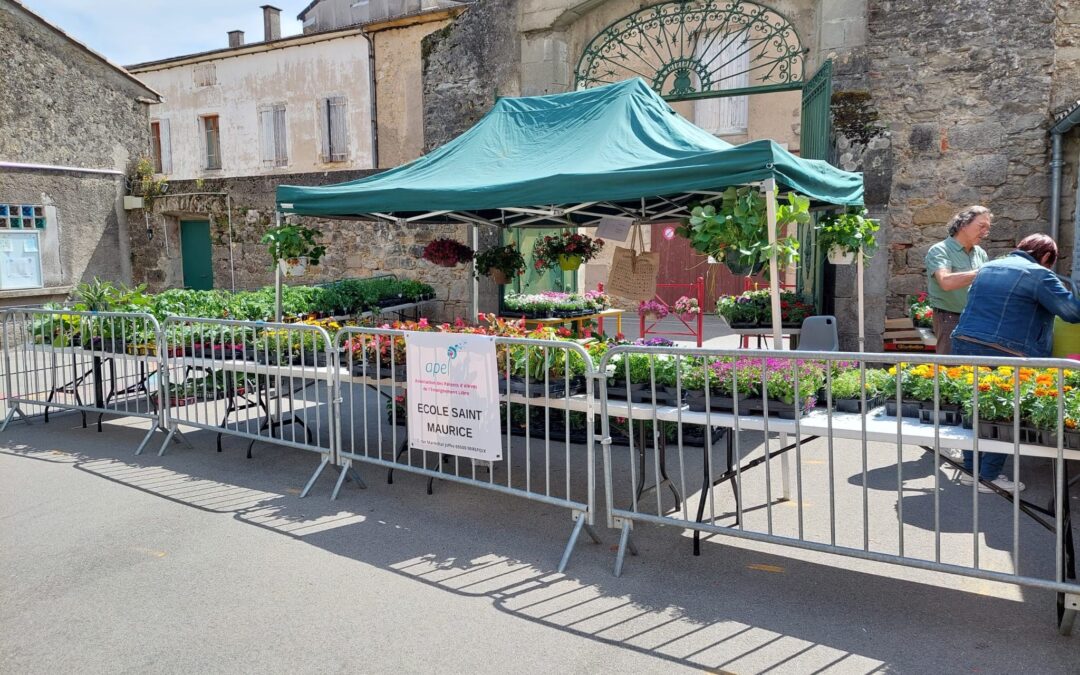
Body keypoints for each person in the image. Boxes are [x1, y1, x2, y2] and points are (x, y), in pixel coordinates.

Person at [951, 234, 1080, 493]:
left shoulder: (988, 267)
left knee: (973, 407)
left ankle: (970, 471)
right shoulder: (1039, 275)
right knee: (1005, 413)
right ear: (1046, 257)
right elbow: (1071, 312)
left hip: (965, 341)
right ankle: (989, 477)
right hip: (1007, 349)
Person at [924, 206, 992, 354]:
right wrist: (984, 272)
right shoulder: (940, 250)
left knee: (976, 364)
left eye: (987, 228)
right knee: (950, 365)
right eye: (981, 226)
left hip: (977, 318)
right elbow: (946, 282)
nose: (985, 232)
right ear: (963, 225)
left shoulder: (980, 253)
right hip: (950, 318)